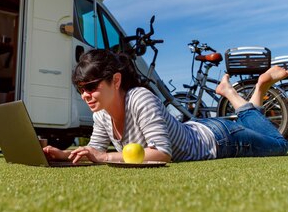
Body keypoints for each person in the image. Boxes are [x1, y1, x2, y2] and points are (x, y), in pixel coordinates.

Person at [43, 49, 288, 164]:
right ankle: (237, 95)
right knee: (253, 126)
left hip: (220, 140)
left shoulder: (140, 98)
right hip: (198, 128)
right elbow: (94, 151)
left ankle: (256, 87)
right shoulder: (101, 115)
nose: (85, 95)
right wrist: (64, 155)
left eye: (91, 86)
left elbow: (161, 154)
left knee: (280, 145)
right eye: (80, 89)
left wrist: (105, 156)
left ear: (115, 80)